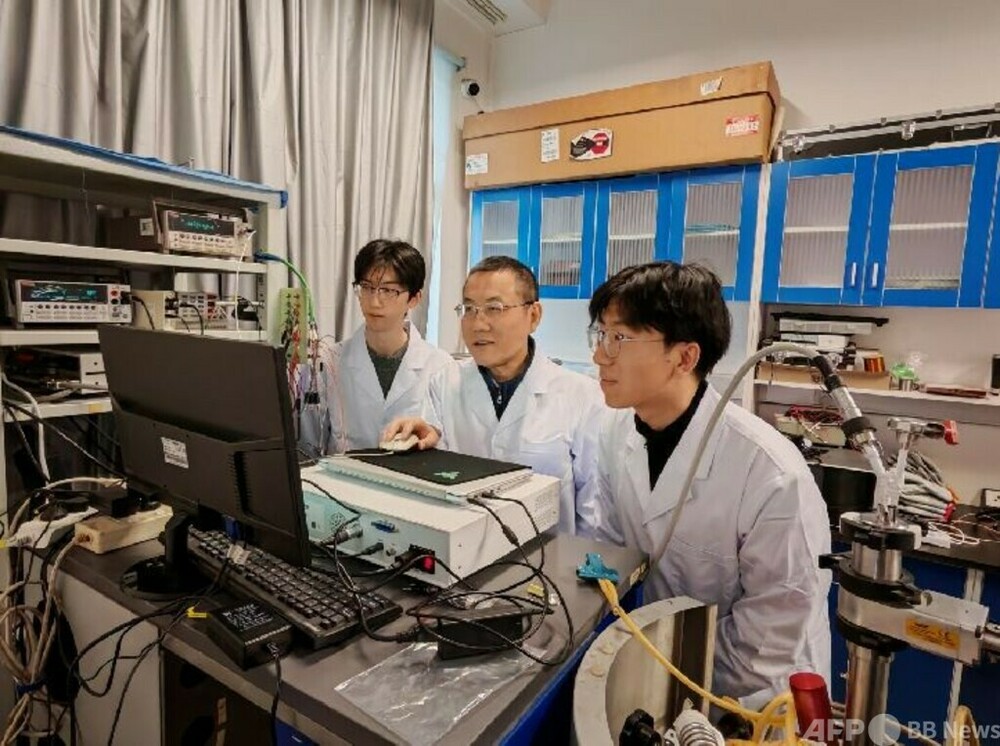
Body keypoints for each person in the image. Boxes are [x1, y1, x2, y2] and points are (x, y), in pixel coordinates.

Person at [586, 261, 831, 709]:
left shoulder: (770, 473)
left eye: (620, 338)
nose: (600, 355)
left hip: (756, 700)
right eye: (601, 335)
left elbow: (772, 633)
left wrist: (676, 678)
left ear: (684, 357)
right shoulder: (614, 434)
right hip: (658, 669)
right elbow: (614, 551)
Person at [383, 256, 605, 535]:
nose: (478, 324)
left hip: (551, 553)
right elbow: (436, 481)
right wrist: (419, 447)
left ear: (533, 316)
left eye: (494, 308)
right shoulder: (444, 383)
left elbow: (594, 511)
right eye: (469, 309)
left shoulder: (582, 396)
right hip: (464, 548)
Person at [320, 239, 454, 453]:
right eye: (367, 288)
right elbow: (309, 446)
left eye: (388, 290)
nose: (374, 301)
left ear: (414, 298)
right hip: (343, 474)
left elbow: (451, 446)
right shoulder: (330, 361)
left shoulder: (441, 367)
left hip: (413, 473)